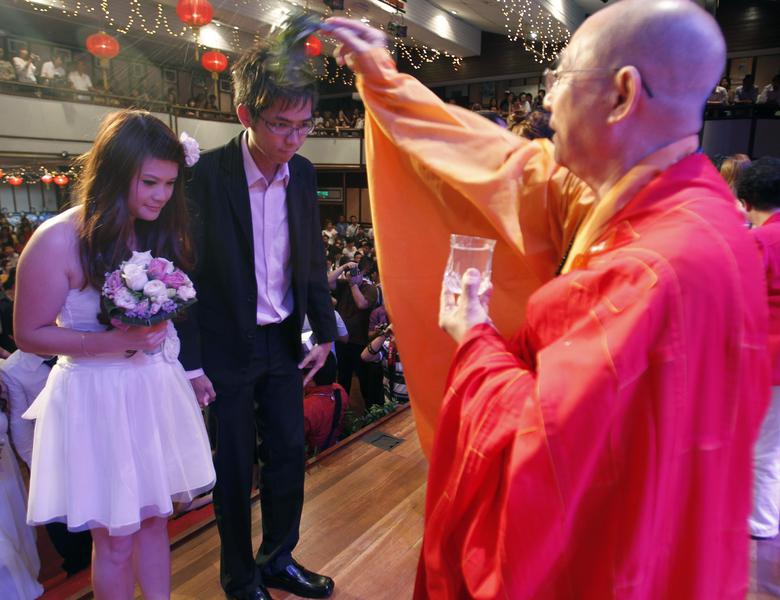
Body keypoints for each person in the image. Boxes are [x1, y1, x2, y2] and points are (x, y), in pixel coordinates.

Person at [326, 0, 770, 596]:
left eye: (560, 77)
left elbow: (542, 448)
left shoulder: (652, 270)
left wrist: (474, 335)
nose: (547, 99)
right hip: (670, 539)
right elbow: (513, 167)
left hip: (611, 563)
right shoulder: (678, 203)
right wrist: (386, 83)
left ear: (622, 94)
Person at [14, 110, 215, 600]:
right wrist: (106, 343)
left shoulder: (151, 230)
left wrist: (175, 352)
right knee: (115, 538)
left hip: (151, 388)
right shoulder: (57, 239)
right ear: (113, 172)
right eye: (150, 182)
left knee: (154, 522)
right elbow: (27, 334)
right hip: (96, 397)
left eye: (169, 184)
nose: (161, 196)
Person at [177, 40, 337, 600]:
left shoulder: (303, 173)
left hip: (284, 341)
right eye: (281, 125)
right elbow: (183, 274)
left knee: (288, 455)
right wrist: (192, 362)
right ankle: (240, 578)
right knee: (234, 466)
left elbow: (310, 258)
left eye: (304, 125)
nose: (294, 139)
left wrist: (325, 332)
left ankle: (278, 559)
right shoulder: (203, 176)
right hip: (224, 348)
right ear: (246, 114)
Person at [739, 158, 780, 541]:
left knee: (763, 448)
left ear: (746, 202)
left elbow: (739, 300)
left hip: (770, 360)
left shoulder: (760, 241)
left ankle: (762, 522)